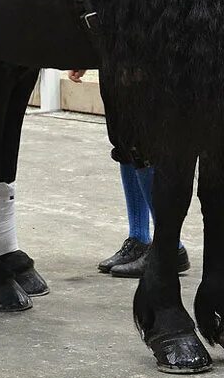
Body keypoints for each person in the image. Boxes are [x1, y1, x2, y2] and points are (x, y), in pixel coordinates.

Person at [67, 70, 190, 278]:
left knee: (142, 142)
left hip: (141, 55)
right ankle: (139, 238)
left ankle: (170, 246)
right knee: (123, 142)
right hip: (113, 55)